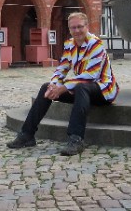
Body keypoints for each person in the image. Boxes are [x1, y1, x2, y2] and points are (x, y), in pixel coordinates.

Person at [7, 11, 118, 156]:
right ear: (69, 29)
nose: (77, 31)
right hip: (81, 89)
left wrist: (64, 88)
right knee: (46, 87)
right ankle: (27, 134)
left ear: (87, 26)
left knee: (81, 87)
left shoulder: (96, 44)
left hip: (103, 90)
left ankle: (75, 139)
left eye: (80, 27)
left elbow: (91, 75)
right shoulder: (70, 45)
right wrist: (54, 85)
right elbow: (62, 68)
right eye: (73, 28)